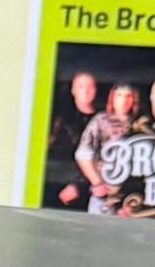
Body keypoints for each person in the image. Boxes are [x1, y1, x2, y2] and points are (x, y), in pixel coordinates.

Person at [75, 82, 139, 213]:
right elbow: (83, 153)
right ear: (112, 98)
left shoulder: (140, 124)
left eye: (128, 96)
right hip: (104, 197)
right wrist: (97, 182)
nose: (123, 100)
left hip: (131, 199)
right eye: (119, 95)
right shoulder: (101, 120)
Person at [44, 69, 99, 208]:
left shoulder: (102, 121)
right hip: (55, 186)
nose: (85, 91)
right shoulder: (60, 119)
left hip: (88, 189)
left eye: (90, 86)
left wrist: (79, 185)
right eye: (81, 86)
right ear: (73, 90)